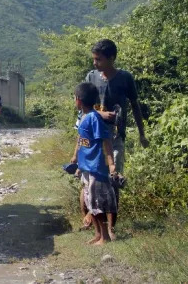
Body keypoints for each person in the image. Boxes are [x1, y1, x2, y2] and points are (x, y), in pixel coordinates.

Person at [84, 39, 148, 231]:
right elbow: (84, 107)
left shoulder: (125, 78)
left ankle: (111, 228)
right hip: (95, 139)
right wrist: (100, 114)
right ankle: (97, 225)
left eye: (99, 59)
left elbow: (135, 106)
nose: (95, 63)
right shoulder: (91, 77)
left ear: (112, 58)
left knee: (113, 180)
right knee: (92, 182)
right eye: (94, 59)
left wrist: (142, 134)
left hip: (116, 137)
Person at [70, 82, 117, 245]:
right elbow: (81, 140)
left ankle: (105, 237)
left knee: (97, 204)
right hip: (85, 167)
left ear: (78, 100)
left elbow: (106, 139)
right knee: (90, 202)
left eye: (74, 98)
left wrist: (111, 163)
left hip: (95, 167)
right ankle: (98, 234)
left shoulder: (94, 118)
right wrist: (75, 158)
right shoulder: (83, 117)